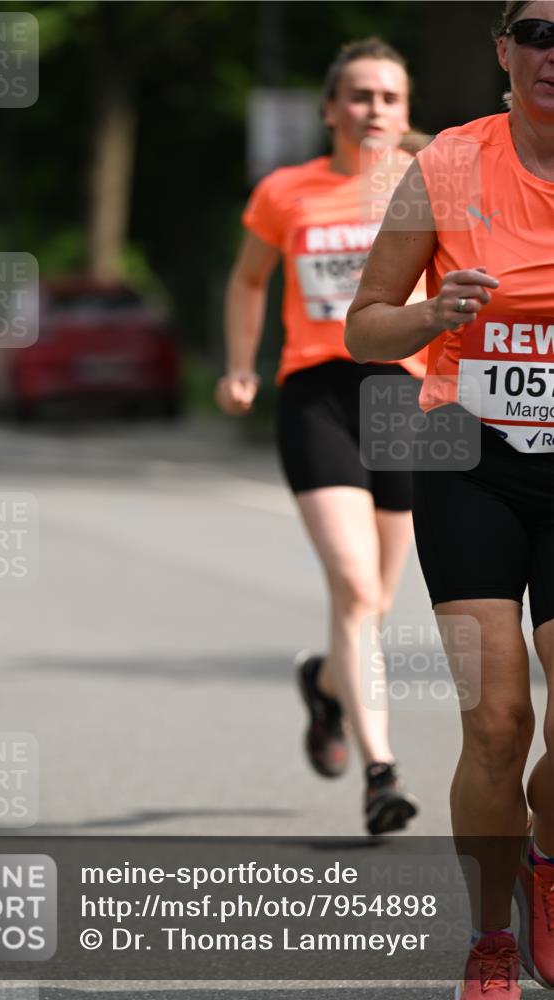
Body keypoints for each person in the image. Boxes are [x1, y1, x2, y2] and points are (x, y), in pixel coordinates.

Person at [345, 2, 554, 995]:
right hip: (465, 455)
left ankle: (543, 865)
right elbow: (365, 328)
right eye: (539, 32)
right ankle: (489, 936)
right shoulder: (448, 168)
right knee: (496, 722)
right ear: (504, 49)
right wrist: (431, 312)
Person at [215, 38, 428, 835]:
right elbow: (246, 281)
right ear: (329, 109)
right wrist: (240, 364)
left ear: (405, 113)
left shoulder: (427, 186)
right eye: (359, 95)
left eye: (388, 98)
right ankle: (381, 771)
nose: (373, 109)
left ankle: (326, 687)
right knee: (353, 588)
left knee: (380, 597)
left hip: (406, 395)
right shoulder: (285, 191)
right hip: (315, 390)